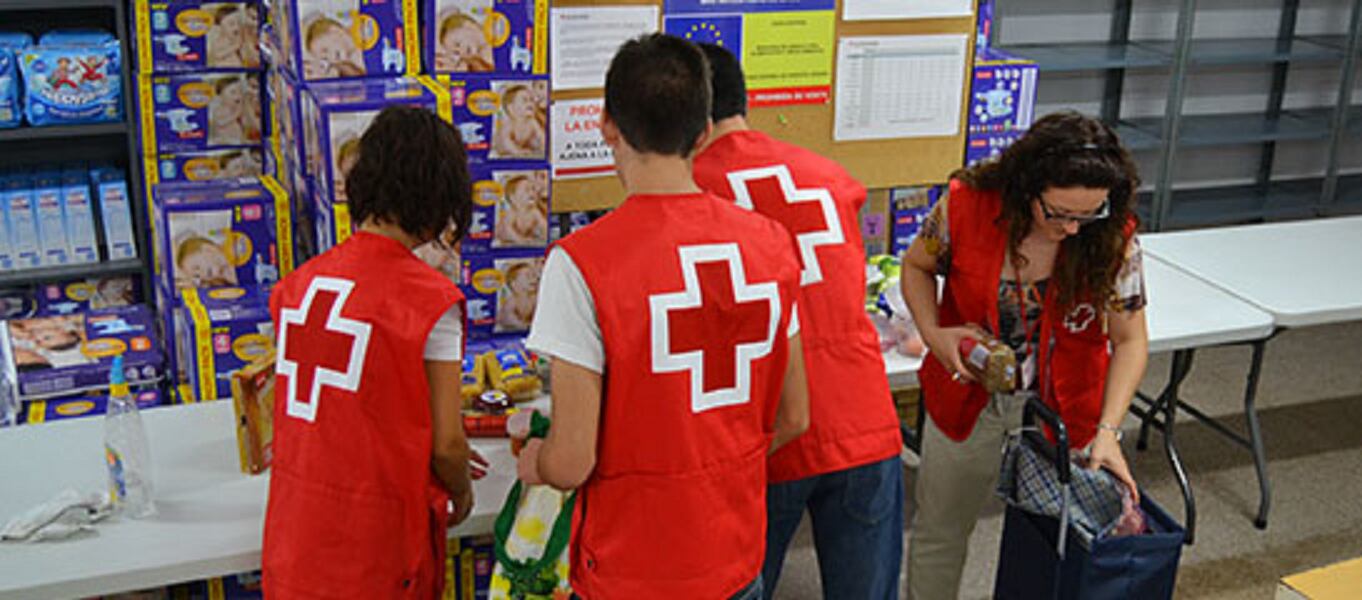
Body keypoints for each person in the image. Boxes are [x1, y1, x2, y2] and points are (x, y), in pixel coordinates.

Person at [515, 33, 809, 600]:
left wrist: (537, 462)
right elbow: (795, 416)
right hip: (734, 554)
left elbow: (573, 459)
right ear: (703, 133)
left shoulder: (581, 264)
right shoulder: (770, 245)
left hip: (632, 566)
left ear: (606, 126)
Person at [900, 111, 1149, 600]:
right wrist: (934, 333)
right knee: (941, 531)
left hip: (1065, 406)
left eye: (1089, 213)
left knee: (1058, 537)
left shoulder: (1112, 236)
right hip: (967, 394)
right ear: (1026, 187)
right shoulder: (966, 206)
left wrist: (1109, 432)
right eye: (1058, 213)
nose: (1074, 228)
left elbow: (1130, 340)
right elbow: (916, 266)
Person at [691, 42, 905, 600]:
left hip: (770, 425)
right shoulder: (828, 176)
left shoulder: (688, 191)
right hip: (865, 416)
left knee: (742, 585)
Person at [262, 106, 488, 598]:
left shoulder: (297, 288)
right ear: (441, 197)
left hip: (297, 537)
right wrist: (462, 492)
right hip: (377, 548)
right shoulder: (431, 301)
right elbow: (448, 445)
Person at [492, 83, 546, 158]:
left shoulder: (532, 122)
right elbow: (506, 140)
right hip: (504, 149)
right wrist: (517, 151)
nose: (530, 103)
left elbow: (541, 136)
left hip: (520, 146)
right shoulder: (509, 123)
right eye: (524, 100)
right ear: (511, 108)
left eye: (531, 100)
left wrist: (544, 147)